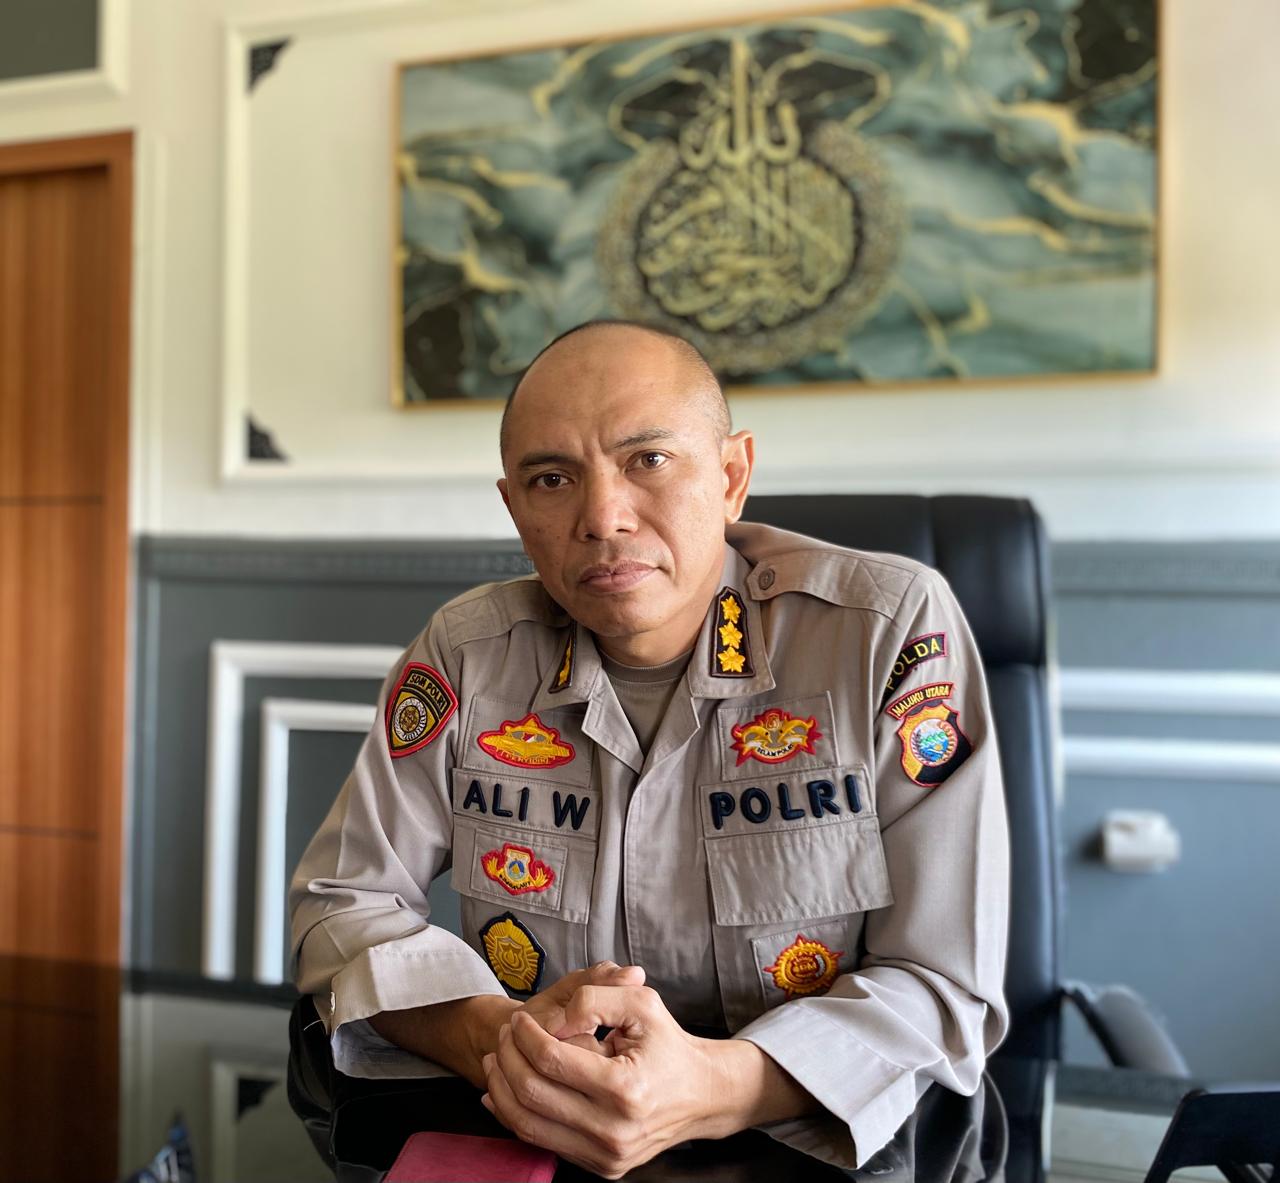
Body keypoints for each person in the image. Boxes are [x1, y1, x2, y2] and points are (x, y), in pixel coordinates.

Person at [289, 320, 1010, 1176]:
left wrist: (713, 1084)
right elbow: (339, 904)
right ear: (515, 509)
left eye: (649, 460)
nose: (603, 518)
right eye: (552, 479)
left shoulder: (887, 632)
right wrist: (495, 1036)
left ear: (733, 475)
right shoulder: (468, 653)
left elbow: (940, 983)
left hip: (814, 1146)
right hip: (539, 1130)